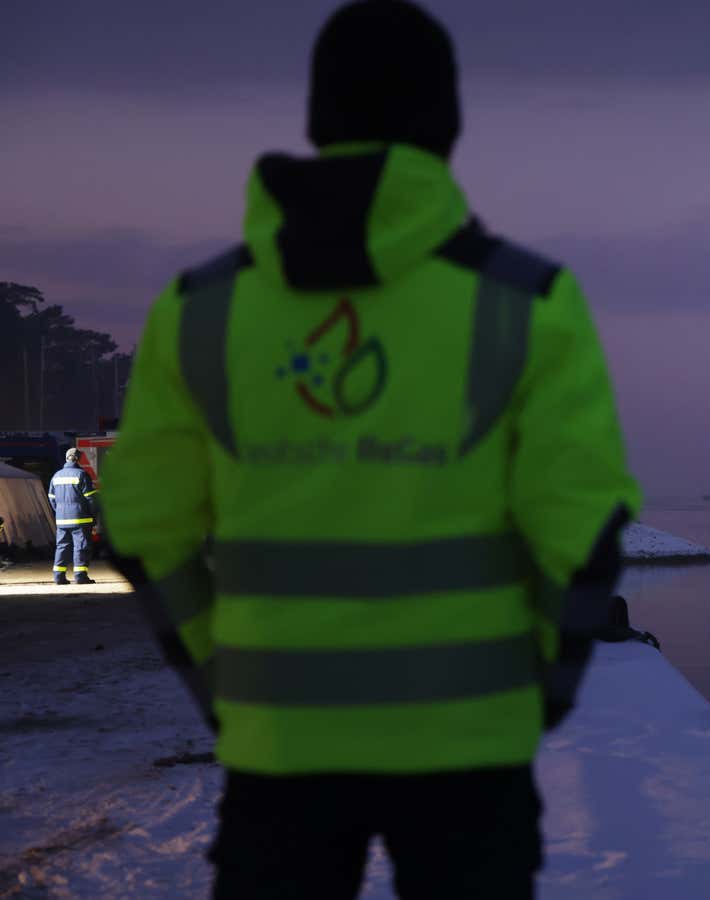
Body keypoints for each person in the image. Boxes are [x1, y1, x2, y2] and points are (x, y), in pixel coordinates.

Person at [99, 2, 639, 896]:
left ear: (315, 122)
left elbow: (145, 528)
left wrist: (220, 685)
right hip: (473, 748)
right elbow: (583, 533)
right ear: (452, 124)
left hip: (278, 748)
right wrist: (539, 691)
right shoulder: (527, 303)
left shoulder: (201, 311)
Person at [48, 447, 98, 585]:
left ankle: (59, 576)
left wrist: (59, 512)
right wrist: (94, 516)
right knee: (81, 547)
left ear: (66, 458)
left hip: (61, 519)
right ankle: (80, 576)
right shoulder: (82, 474)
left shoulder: (56, 476)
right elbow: (91, 499)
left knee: (62, 546)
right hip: (80, 519)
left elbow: (52, 498)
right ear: (78, 459)